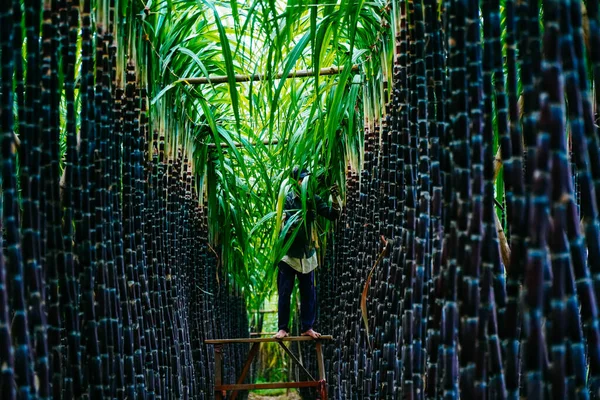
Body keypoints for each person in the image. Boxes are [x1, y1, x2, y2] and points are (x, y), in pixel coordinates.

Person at [274, 166, 341, 339]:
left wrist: (335, 196)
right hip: (288, 255)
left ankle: (307, 327)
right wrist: (302, 219)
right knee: (284, 292)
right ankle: (282, 328)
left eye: (306, 178)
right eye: (301, 179)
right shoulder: (287, 200)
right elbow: (284, 228)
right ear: (295, 182)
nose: (304, 182)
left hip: (307, 255)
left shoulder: (314, 199)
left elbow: (333, 215)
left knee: (309, 293)